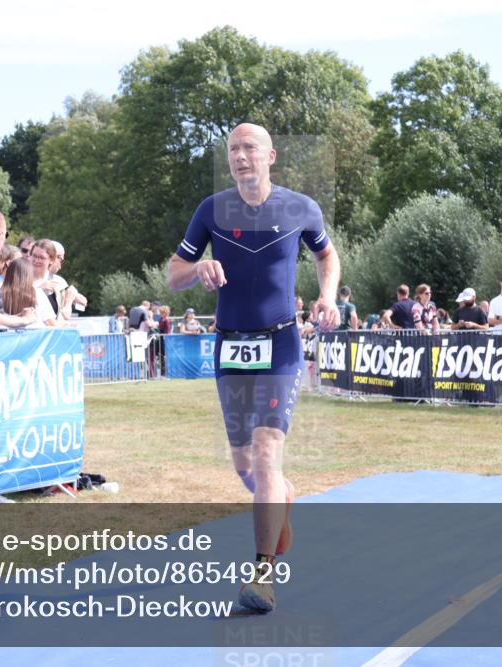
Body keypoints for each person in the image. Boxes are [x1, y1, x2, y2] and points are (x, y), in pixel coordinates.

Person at [167, 123, 339, 613]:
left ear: (270, 156)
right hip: (230, 345)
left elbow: (327, 255)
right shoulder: (211, 210)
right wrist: (197, 268)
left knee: (265, 454)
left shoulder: (300, 207)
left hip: (281, 342)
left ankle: (262, 575)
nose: (240, 156)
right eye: (233, 149)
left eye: (249, 148)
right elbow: (174, 274)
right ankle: (281, 495)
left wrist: (327, 296)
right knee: (246, 467)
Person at [0, 257, 56, 326]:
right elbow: (51, 323)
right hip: (34, 332)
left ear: (9, 273)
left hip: (7, 332)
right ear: (30, 274)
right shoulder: (38, 293)